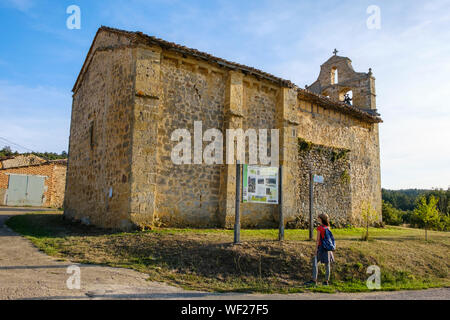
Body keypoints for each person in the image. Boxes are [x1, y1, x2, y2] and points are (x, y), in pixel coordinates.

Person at [307, 213, 335, 286]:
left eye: (318, 218)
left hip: (321, 248)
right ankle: (326, 281)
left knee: (315, 262)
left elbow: (318, 240)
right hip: (328, 249)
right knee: (327, 264)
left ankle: (314, 280)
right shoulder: (328, 227)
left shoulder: (320, 228)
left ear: (321, 219)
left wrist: (315, 250)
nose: (317, 219)